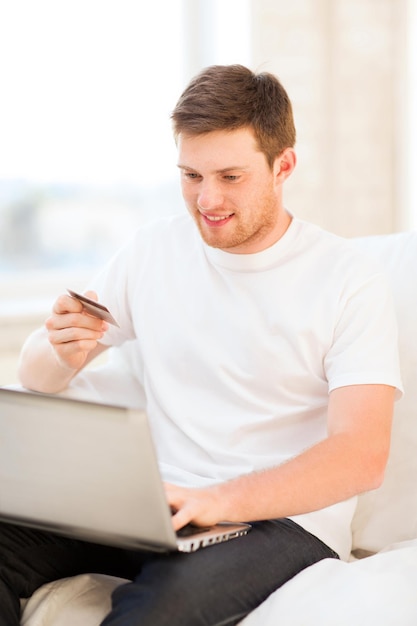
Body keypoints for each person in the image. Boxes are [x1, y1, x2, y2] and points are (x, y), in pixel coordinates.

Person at [2, 64, 402, 626]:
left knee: (161, 611)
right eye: (191, 175)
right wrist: (59, 351)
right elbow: (38, 378)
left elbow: (361, 455)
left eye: (230, 177)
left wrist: (222, 501)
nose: (206, 199)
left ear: (283, 165)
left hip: (281, 522)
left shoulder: (347, 279)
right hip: (154, 504)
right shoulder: (153, 250)